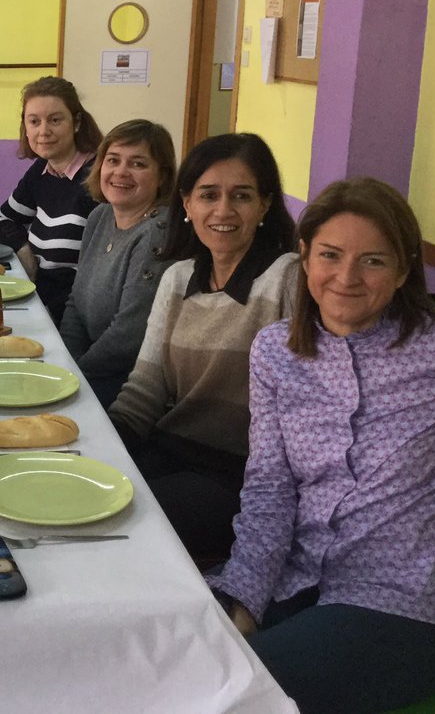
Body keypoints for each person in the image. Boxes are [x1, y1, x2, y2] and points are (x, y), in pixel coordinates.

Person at [207, 177, 435, 714]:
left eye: (373, 261)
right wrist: (243, 600)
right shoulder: (275, 352)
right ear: (304, 257)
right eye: (330, 255)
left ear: (404, 270)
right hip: (298, 579)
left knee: (236, 696)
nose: (346, 278)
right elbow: (269, 488)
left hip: (405, 605)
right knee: (174, 647)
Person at [107, 133, 298, 561]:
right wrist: (106, 445)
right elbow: (145, 387)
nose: (224, 210)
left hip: (238, 478)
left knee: (118, 531)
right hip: (166, 451)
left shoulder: (287, 278)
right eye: (208, 195)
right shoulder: (178, 278)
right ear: (187, 205)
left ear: (265, 205)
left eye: (242, 196)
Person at [59, 120, 176, 406]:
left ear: (162, 176)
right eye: (113, 160)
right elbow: (76, 302)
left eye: (138, 164)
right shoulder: (100, 216)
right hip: (88, 368)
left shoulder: (156, 233)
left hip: (127, 384)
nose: (121, 172)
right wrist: (64, 363)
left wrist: (75, 374)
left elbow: (129, 337)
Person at [0, 76, 104, 322]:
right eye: (34, 121)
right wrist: (23, 248)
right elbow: (1, 218)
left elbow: (98, 275)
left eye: (55, 120)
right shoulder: (42, 171)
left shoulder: (99, 178)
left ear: (76, 122)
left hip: (74, 317)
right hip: (40, 303)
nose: (43, 131)